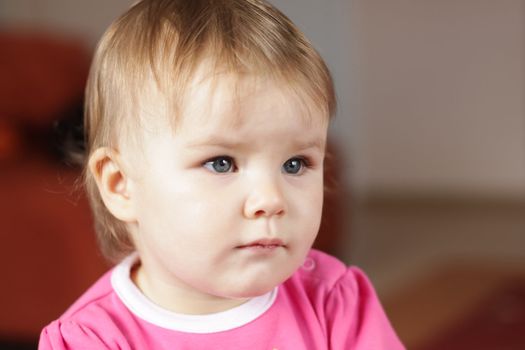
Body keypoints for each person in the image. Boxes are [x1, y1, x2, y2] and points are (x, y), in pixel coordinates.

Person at [39, 0, 405, 348]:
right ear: (121, 186)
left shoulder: (334, 300)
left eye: (295, 164)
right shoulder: (90, 339)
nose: (271, 199)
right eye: (221, 163)